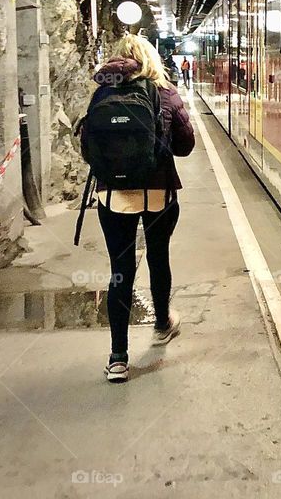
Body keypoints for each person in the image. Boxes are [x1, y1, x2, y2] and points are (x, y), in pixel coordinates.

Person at [82, 35, 195, 383]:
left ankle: (118, 358)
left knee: (120, 270)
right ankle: (162, 324)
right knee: (158, 257)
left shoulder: (103, 92)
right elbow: (186, 145)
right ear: (151, 59)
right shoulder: (165, 92)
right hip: (158, 193)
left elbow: (88, 147)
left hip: (114, 196)